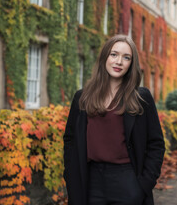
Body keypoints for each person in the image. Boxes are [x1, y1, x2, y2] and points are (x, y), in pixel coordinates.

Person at [63, 34, 165, 205]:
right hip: (90, 181)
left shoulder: (141, 98)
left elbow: (156, 144)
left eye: (126, 58)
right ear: (105, 57)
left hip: (127, 180)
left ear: (131, 64)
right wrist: (71, 178)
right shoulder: (82, 98)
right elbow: (70, 140)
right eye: (114, 54)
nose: (119, 62)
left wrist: (143, 185)